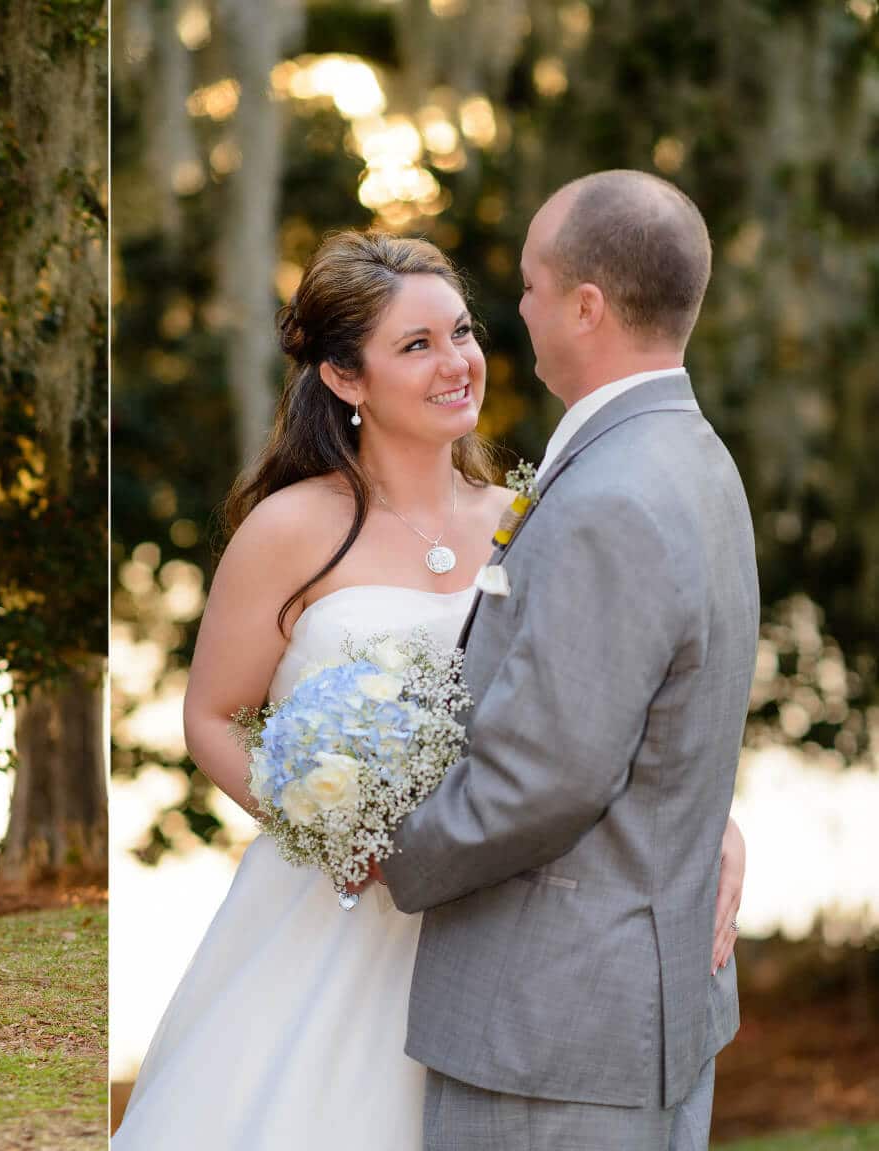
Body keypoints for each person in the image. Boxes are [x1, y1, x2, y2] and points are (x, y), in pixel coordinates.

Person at [115, 213, 746, 1149]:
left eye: (462, 332)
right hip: (338, 915)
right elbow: (212, 715)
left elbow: (600, 698)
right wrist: (334, 826)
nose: (457, 362)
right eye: (416, 344)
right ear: (343, 376)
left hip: (503, 923)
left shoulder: (529, 513)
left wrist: (707, 819)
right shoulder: (290, 529)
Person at [379, 170, 756, 1150]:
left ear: (586, 306)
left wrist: (394, 850)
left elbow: (550, 769)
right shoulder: (693, 456)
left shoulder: (612, 495)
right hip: (643, 1001)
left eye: (531, 282)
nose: (519, 307)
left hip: (554, 1025)